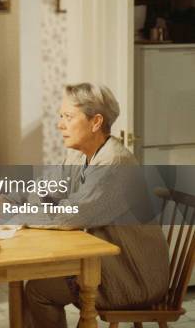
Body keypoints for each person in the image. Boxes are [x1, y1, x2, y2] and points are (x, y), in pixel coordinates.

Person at [22, 83, 169, 328]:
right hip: (111, 264)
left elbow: (71, 216)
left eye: (68, 117)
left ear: (96, 122)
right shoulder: (79, 154)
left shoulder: (114, 163)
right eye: (61, 117)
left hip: (133, 275)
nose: (60, 125)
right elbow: (46, 187)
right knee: (39, 276)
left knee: (38, 290)